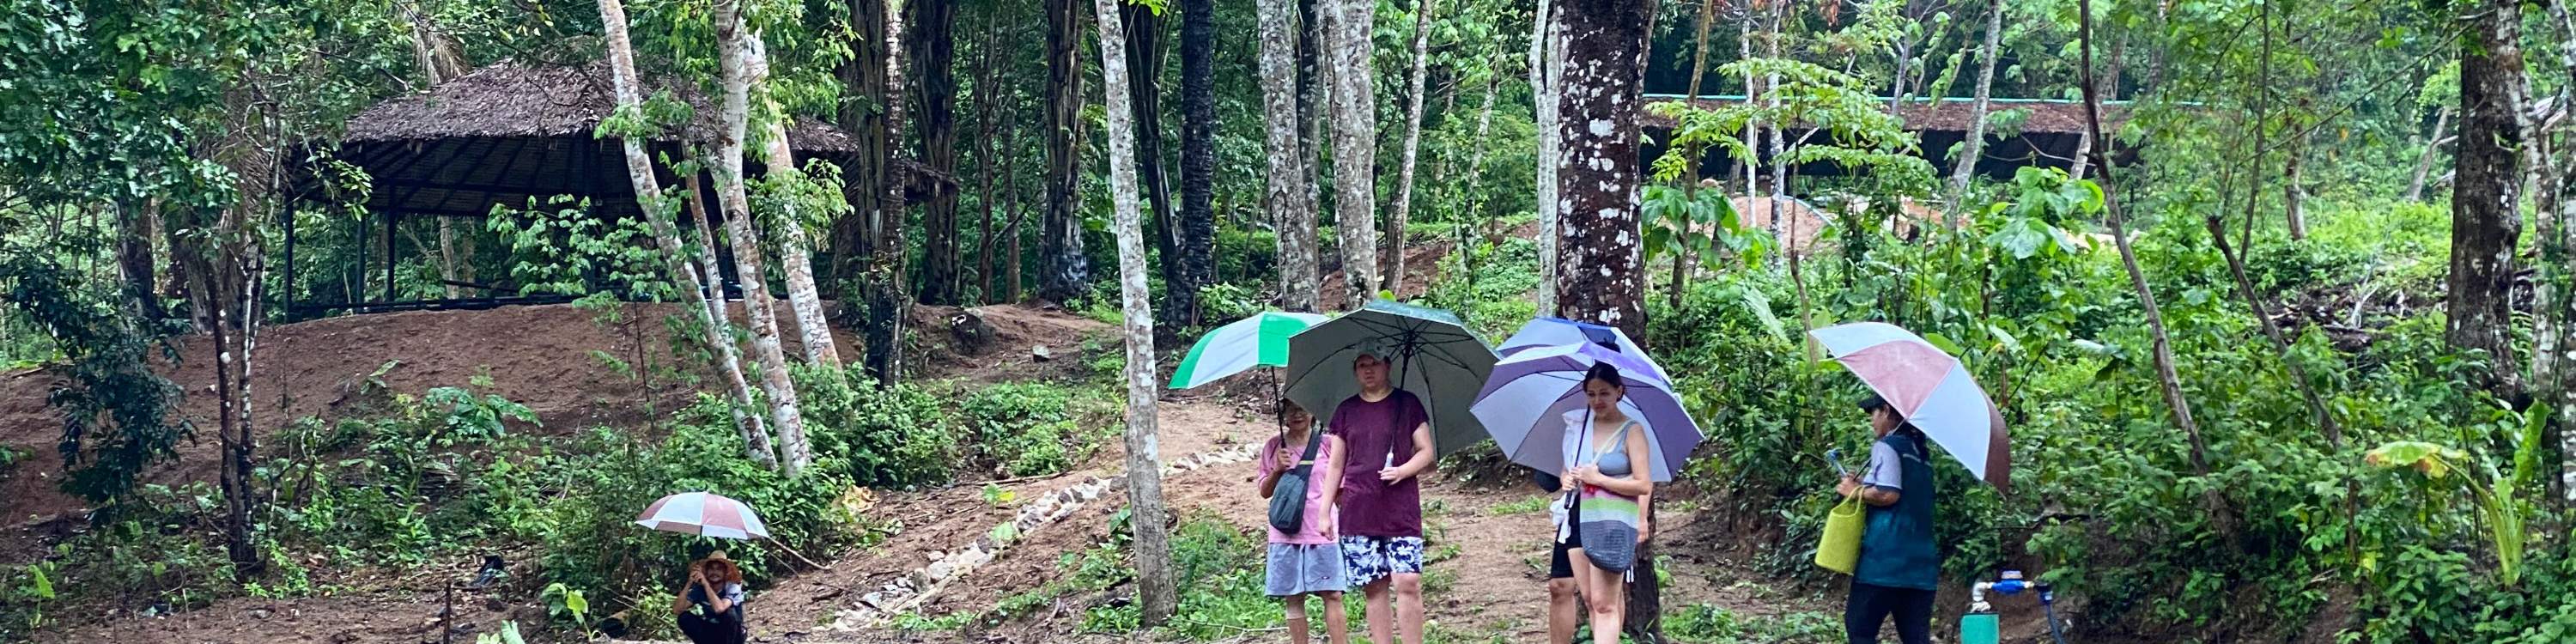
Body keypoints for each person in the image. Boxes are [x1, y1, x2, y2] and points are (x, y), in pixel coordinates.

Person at [1329, 349, 1435, 644]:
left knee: (1408, 581)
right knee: (1374, 586)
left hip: (1400, 507)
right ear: (1355, 370)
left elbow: (1426, 451)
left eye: (1374, 363)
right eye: (1362, 365)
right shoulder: (1346, 410)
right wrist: (1325, 509)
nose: (1368, 370)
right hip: (1359, 508)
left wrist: (1403, 470)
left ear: (1387, 366)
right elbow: (1336, 464)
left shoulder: (1407, 403)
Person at [1549, 361, 1654, 644]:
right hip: (1578, 517)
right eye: (1591, 394)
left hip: (1613, 520)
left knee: (1605, 603)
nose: (1598, 401)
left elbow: (1643, 483)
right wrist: (1566, 479)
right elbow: (1567, 467)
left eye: (1604, 393)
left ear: (1619, 392)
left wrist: (1600, 479)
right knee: (1590, 600)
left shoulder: (1632, 431)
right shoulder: (1578, 427)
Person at [1836, 394, 1940, 644]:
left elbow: (1888, 493)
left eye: (1873, 413)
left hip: (1884, 561)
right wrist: (1864, 485)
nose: (1871, 421)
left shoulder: (1887, 445)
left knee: (1860, 630)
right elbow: (1901, 491)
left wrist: (1854, 491)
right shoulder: (1921, 455)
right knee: (1915, 638)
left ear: (1886, 410)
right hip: (1921, 567)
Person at [1259, 398, 1350, 644]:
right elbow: (1265, 491)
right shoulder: (1274, 446)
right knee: (1293, 596)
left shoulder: (1329, 445)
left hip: (1323, 530)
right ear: (1283, 414)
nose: (1297, 414)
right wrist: (1277, 468)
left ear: (1314, 412)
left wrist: (1347, 525)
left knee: (1332, 594)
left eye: (1303, 408)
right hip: (1285, 532)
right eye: (1290, 409)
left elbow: (1341, 491)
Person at [671, 552, 749, 644]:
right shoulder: (699, 590)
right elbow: (677, 610)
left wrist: (706, 584)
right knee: (684, 618)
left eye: (719, 569)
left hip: (733, 635)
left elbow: (719, 609)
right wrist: (689, 583)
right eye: (711, 569)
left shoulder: (732, 587)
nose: (714, 572)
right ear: (706, 572)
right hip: (712, 632)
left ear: (725, 572)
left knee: (729, 613)